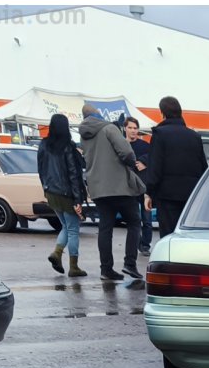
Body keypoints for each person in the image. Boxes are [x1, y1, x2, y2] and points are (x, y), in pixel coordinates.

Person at [78, 102, 146, 281]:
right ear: (99, 114)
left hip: (98, 187)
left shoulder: (84, 135)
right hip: (119, 186)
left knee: (105, 228)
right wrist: (134, 165)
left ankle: (106, 269)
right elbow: (126, 152)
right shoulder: (109, 128)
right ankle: (130, 264)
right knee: (134, 222)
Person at [143, 95, 207, 239]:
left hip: (167, 196)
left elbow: (155, 168)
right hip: (190, 196)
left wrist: (149, 193)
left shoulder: (160, 134)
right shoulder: (194, 137)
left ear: (162, 113)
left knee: (169, 237)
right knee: (187, 236)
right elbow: (203, 166)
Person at [37, 113, 89, 278]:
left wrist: (46, 187)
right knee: (73, 229)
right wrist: (77, 199)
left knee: (66, 226)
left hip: (51, 191)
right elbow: (73, 174)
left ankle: (57, 254)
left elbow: (40, 168)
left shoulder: (43, 145)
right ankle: (73, 267)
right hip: (67, 194)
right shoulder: (68, 147)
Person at [123, 116, 152, 255]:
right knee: (132, 219)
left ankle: (145, 245)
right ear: (125, 128)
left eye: (135, 128)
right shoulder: (121, 144)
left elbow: (155, 157)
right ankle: (136, 242)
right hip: (128, 187)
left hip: (144, 187)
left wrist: (144, 161)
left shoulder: (145, 146)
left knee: (146, 219)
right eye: (130, 128)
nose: (133, 131)